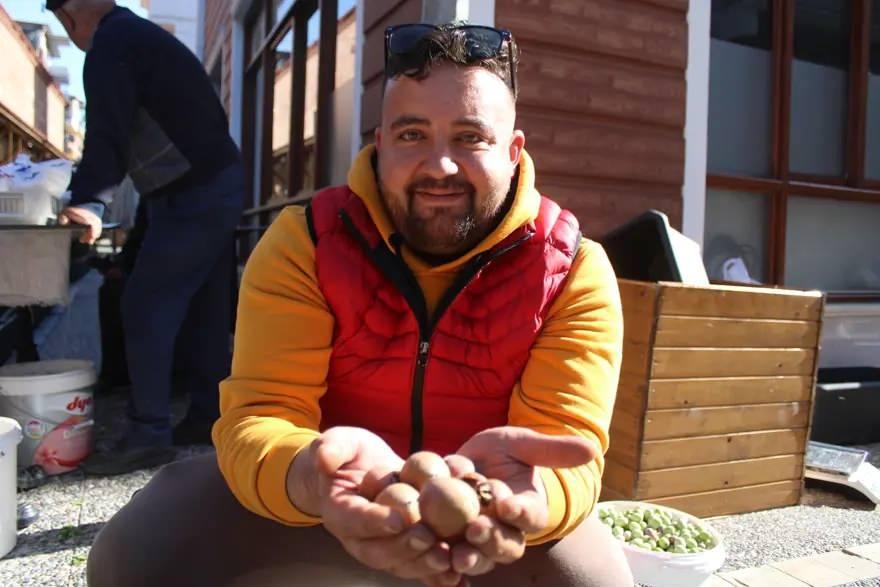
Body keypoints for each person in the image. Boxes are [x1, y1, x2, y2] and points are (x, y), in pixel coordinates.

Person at [86, 23, 633, 586]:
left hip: (490, 514)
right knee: (139, 548)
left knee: (595, 579)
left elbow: (568, 447)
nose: (439, 166)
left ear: (514, 151)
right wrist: (309, 473)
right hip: (330, 500)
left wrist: (530, 494)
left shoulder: (572, 270)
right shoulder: (305, 242)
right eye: (412, 134)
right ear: (380, 143)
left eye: (470, 137)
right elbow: (261, 414)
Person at [49, 0, 245, 474]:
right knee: (205, 309)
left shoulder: (112, 43)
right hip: (215, 182)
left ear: (71, 13)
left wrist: (89, 201)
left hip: (195, 191)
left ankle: (148, 433)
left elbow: (107, 134)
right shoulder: (138, 37)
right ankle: (209, 414)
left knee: (144, 304)